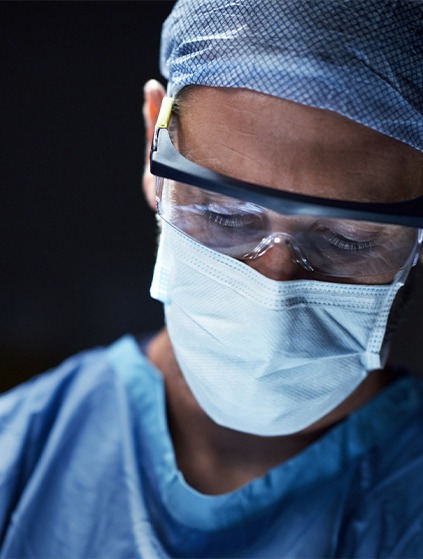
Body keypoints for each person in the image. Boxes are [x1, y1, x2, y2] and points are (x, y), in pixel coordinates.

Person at [1, 0, 423, 557]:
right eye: (224, 216)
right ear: (155, 142)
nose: (273, 284)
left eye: (346, 239)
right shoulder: (19, 460)